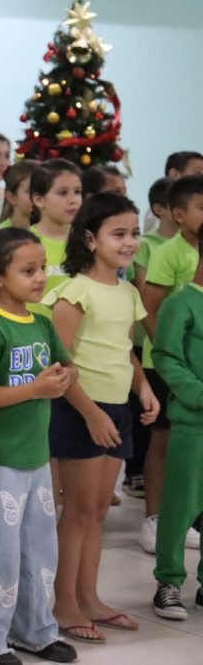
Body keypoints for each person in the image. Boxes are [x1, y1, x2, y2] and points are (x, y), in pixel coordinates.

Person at [0, 226, 78, 665]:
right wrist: (36, 390)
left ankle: (35, 630)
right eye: (28, 270)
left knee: (41, 549)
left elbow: (64, 367)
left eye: (42, 267)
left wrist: (64, 379)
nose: (41, 277)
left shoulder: (41, 320)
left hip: (36, 457)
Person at [43, 192, 158, 643]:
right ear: (90, 239)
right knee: (78, 510)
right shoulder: (73, 291)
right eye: (118, 234)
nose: (129, 242)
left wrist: (144, 388)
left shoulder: (128, 291)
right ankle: (63, 603)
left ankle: (88, 597)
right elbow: (59, 362)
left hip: (115, 410)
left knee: (96, 514)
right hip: (80, 410)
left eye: (134, 233)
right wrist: (90, 414)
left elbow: (124, 351)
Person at [139, 174, 203, 555]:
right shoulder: (169, 252)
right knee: (162, 441)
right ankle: (155, 516)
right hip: (165, 363)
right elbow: (152, 308)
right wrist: (165, 351)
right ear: (178, 214)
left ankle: (191, 516)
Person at [151, 232, 203, 620]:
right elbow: (166, 357)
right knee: (181, 504)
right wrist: (198, 393)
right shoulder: (180, 303)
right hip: (193, 423)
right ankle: (168, 582)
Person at [124, 177, 176, 500]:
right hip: (156, 349)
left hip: (187, 354)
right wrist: (167, 349)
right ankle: (153, 512)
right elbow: (147, 302)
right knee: (157, 431)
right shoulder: (151, 248)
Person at [28, 160, 82, 317]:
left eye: (77, 192)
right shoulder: (26, 242)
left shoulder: (87, 241)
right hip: (38, 335)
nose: (73, 200)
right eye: (63, 193)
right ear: (39, 200)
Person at [0, 160, 40, 229]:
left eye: (43, 190)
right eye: (30, 191)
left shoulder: (57, 235)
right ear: (11, 197)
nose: (39, 198)